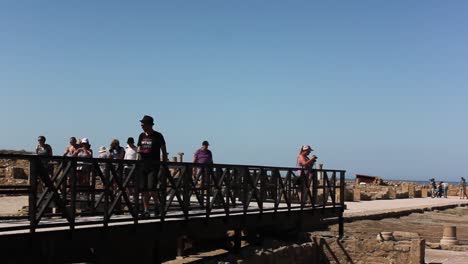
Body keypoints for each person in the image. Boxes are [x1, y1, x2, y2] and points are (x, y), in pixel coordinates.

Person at [137, 115, 167, 218]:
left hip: (154, 165)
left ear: (149, 125)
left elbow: (163, 150)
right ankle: (146, 210)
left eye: (143, 124)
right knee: (144, 189)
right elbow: (138, 149)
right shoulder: (141, 135)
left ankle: (157, 204)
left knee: (151, 188)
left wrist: (163, 164)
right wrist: (137, 160)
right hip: (143, 165)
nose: (141, 125)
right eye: (141, 124)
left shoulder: (158, 136)